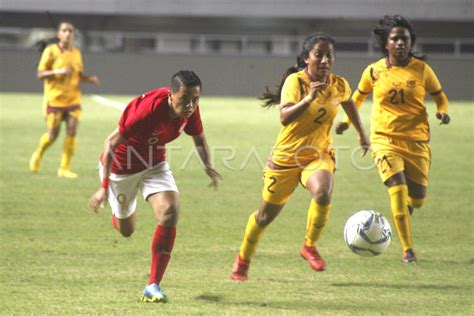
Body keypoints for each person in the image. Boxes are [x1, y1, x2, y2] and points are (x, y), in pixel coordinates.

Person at [231, 33, 370, 281]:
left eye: (329, 55)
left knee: (323, 191)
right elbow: (284, 117)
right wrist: (309, 98)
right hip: (286, 159)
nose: (325, 60)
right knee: (264, 217)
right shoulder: (296, 82)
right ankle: (243, 260)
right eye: (319, 54)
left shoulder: (339, 84)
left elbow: (349, 103)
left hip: (318, 155)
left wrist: (361, 134)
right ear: (307, 58)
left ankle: (309, 245)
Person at [89, 70, 221, 303]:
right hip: (121, 169)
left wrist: (208, 166)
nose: (191, 105)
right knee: (126, 230)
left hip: (154, 164)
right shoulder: (146, 112)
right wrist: (103, 186)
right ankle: (119, 210)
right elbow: (110, 142)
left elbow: (199, 138)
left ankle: (152, 285)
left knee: (170, 212)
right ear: (171, 96)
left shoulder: (190, 108)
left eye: (196, 99)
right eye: (185, 100)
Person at [335, 15, 451, 263]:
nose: (400, 43)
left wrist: (443, 111)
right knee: (397, 191)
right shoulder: (374, 71)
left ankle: (409, 207)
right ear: (386, 43)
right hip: (384, 140)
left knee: (418, 200)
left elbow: (440, 96)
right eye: (395, 39)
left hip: (417, 141)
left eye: (405, 39)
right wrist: (346, 122)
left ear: (411, 43)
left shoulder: (422, 69)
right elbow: (356, 97)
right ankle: (408, 249)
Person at [29, 21, 99, 178]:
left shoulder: (76, 52)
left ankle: (64, 168)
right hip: (54, 99)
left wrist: (89, 79)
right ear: (59, 34)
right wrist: (57, 71)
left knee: (72, 131)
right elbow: (40, 74)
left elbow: (77, 74)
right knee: (53, 135)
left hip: (73, 99)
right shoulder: (51, 51)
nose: (67, 33)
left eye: (70, 31)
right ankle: (38, 153)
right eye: (64, 30)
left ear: (74, 34)